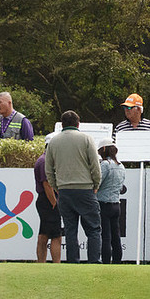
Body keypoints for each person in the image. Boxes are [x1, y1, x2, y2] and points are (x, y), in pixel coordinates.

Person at [44, 110, 103, 263]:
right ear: (78, 124)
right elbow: (95, 166)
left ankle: (72, 263)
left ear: (62, 124)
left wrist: (56, 187)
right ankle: (94, 262)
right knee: (93, 229)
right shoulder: (86, 139)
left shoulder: (53, 142)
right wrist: (96, 184)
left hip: (64, 190)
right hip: (85, 189)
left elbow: (48, 170)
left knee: (70, 230)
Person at [32, 136, 62, 263]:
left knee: (44, 234)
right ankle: (56, 264)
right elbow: (47, 185)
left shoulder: (45, 160)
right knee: (56, 236)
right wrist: (54, 203)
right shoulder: (45, 161)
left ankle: (41, 263)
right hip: (48, 200)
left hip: (45, 200)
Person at [96, 138, 125, 264]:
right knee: (116, 236)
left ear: (103, 149)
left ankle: (106, 262)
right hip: (116, 204)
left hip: (104, 204)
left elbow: (97, 183)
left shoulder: (105, 165)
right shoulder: (121, 165)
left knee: (106, 237)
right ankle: (117, 262)